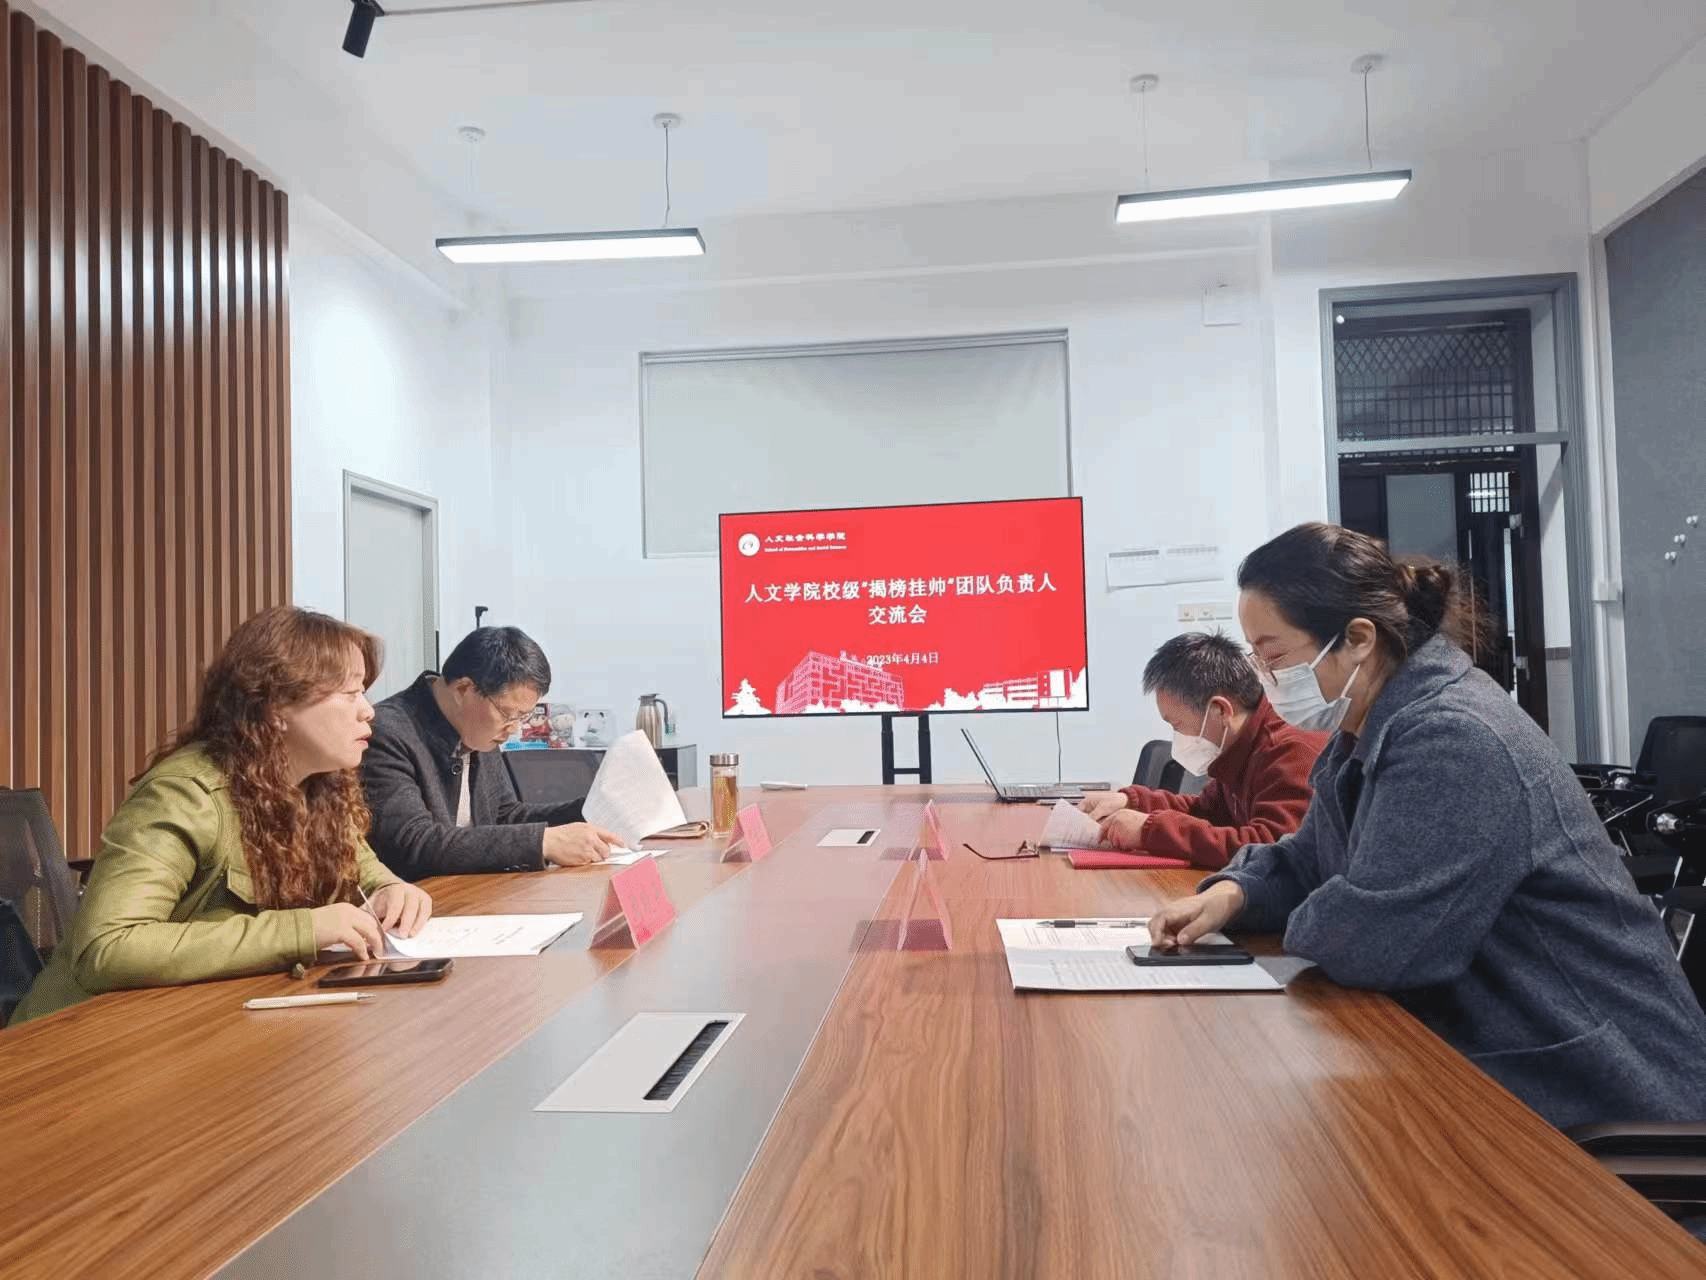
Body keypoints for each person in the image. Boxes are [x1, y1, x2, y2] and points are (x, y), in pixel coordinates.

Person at [1148, 522, 1706, 1129]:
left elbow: (1375, 943)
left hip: (1600, 1096)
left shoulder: (1453, 736)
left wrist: (1312, 911)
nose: (1263, 677)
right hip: (1495, 1061)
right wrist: (1235, 893)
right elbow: (1310, 858)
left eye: (1273, 656)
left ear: (1357, 639)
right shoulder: (1366, 729)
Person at [11, 607, 431, 1025]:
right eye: (350, 693)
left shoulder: (319, 784)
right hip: (82, 1036)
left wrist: (392, 890)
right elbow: (109, 947)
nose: (368, 710)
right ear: (277, 706)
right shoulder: (186, 793)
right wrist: (302, 930)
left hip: (204, 1020)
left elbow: (364, 870)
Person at [361, 626, 621, 879]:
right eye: (508, 714)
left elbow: (503, 816)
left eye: (523, 716)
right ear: (463, 690)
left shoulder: (477, 726)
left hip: (474, 891)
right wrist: (543, 842)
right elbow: (414, 843)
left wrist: (590, 810)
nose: (514, 728)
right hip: (421, 898)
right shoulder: (386, 732)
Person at [1078, 632, 1327, 868]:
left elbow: (1271, 848)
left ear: (1220, 710)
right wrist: (1131, 801)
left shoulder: (1290, 751)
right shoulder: (1239, 746)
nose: (1177, 736)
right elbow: (1207, 811)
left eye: (1177, 725)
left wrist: (1150, 831)